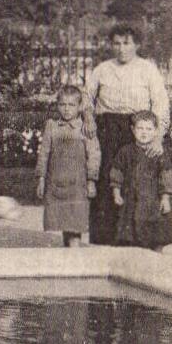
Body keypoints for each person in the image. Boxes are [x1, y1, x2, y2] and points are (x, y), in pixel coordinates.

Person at [86, 24, 169, 244]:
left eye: (127, 43)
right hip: (108, 131)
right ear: (111, 45)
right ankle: (105, 238)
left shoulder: (148, 69)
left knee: (137, 181)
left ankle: (136, 237)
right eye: (117, 43)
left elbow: (160, 103)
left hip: (136, 130)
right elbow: (86, 99)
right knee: (108, 179)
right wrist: (88, 119)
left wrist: (158, 136)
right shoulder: (102, 69)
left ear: (137, 44)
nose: (122, 48)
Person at [36, 83, 100, 248]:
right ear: (57, 106)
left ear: (79, 107)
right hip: (56, 183)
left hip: (77, 185)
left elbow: (94, 155)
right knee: (64, 226)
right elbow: (44, 153)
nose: (66, 109)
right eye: (62, 104)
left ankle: (75, 262)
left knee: (74, 227)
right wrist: (41, 179)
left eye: (71, 105)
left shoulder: (85, 128)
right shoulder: (51, 126)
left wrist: (92, 180)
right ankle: (69, 262)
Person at [110, 110, 172, 251]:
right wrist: (116, 193)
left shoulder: (159, 153)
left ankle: (157, 265)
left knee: (157, 237)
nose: (144, 132)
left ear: (155, 131)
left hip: (154, 201)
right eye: (140, 128)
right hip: (132, 201)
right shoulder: (125, 151)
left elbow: (166, 175)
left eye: (149, 129)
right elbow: (117, 172)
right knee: (131, 237)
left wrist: (165, 198)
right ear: (133, 130)